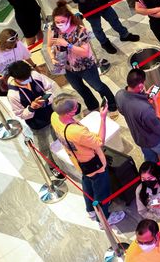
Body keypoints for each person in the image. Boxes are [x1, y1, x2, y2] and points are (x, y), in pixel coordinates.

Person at [51, 94, 126, 225]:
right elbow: (99, 141)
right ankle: (103, 219)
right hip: (93, 164)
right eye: (75, 107)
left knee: (87, 183)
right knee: (102, 191)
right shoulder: (76, 132)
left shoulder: (54, 117)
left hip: (79, 162)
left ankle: (90, 209)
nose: (77, 107)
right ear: (69, 113)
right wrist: (102, 118)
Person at [46, 2, 119, 112]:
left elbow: (85, 52)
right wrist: (52, 57)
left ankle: (112, 103)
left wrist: (67, 44)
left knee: (97, 86)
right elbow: (49, 46)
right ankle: (92, 105)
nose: (59, 24)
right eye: (57, 22)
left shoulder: (80, 31)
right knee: (79, 88)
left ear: (69, 19)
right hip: (67, 67)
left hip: (85, 65)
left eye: (63, 22)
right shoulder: (53, 29)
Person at [6, 60, 59, 168]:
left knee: (58, 135)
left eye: (27, 76)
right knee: (43, 144)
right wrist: (31, 108)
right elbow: (21, 114)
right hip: (37, 123)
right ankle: (51, 165)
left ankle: (62, 155)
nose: (27, 80)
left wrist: (46, 101)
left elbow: (50, 89)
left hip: (52, 113)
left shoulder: (35, 76)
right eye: (23, 79)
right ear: (15, 78)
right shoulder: (13, 95)